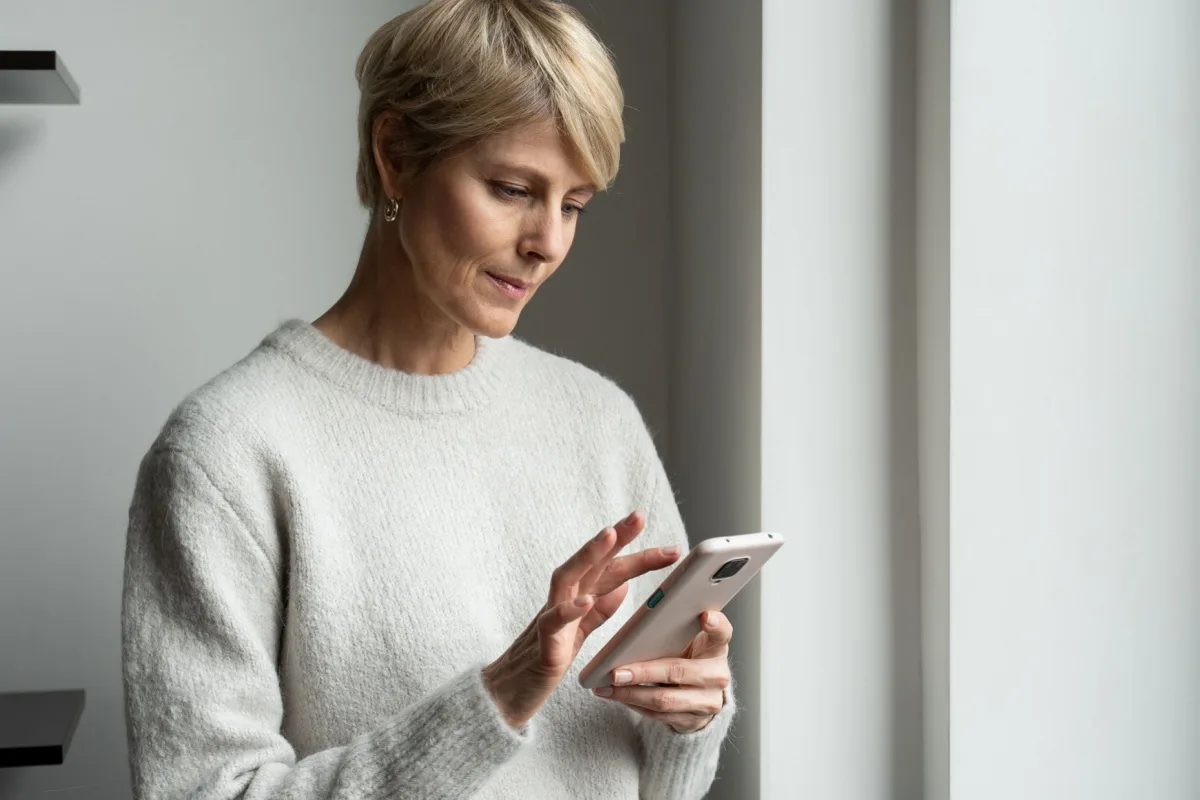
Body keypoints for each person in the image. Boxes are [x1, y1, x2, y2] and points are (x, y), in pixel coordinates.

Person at [120, 1, 737, 797]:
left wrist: (690, 722)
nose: (548, 241)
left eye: (574, 204)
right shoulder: (228, 452)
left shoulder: (598, 420)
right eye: (514, 188)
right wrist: (496, 700)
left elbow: (662, 786)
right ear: (396, 154)